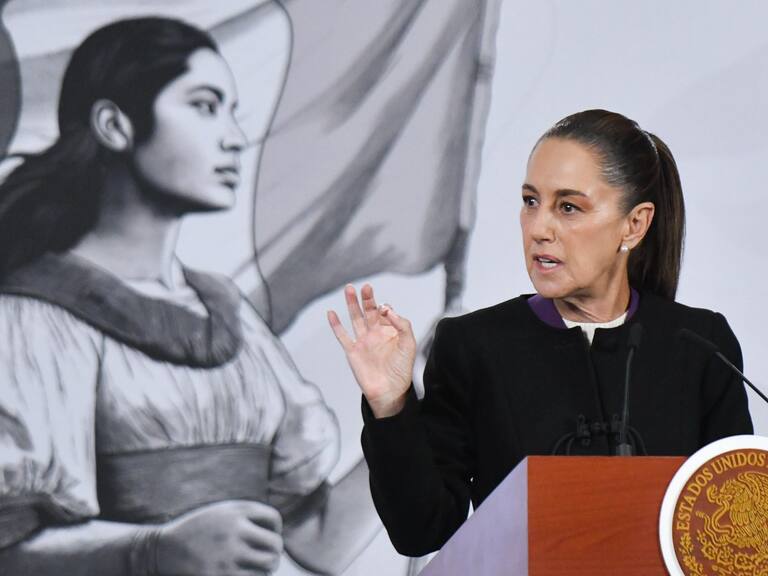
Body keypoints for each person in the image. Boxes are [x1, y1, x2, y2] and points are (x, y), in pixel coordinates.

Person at [0, 17, 378, 575]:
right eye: (204, 106)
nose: (232, 136)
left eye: (232, 111)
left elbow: (317, 541)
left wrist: (426, 407)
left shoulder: (231, 319)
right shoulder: (33, 318)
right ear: (114, 125)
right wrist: (151, 551)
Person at [328, 109, 754, 556]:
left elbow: (739, 533)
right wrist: (390, 404)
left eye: (568, 207)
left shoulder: (701, 344)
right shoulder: (473, 346)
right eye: (531, 201)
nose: (539, 228)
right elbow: (423, 531)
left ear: (634, 224)